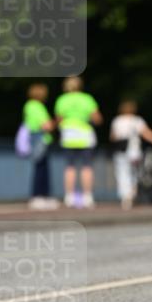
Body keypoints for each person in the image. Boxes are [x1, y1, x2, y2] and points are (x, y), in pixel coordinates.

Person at [110, 100, 152, 210]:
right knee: (134, 174)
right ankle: (132, 193)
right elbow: (147, 134)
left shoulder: (117, 121)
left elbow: (113, 137)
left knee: (122, 173)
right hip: (134, 152)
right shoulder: (137, 121)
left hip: (121, 151)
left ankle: (125, 196)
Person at [54, 76, 103, 209]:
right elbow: (97, 118)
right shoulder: (87, 99)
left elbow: (58, 119)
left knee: (70, 167)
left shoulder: (62, 100)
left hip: (68, 135)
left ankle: (69, 197)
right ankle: (87, 197)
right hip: (85, 135)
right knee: (87, 167)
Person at [22, 83, 58, 210]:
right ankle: (39, 196)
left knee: (40, 166)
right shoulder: (37, 106)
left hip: (35, 137)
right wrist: (58, 121)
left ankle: (41, 196)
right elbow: (46, 126)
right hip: (40, 138)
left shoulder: (28, 106)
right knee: (41, 168)